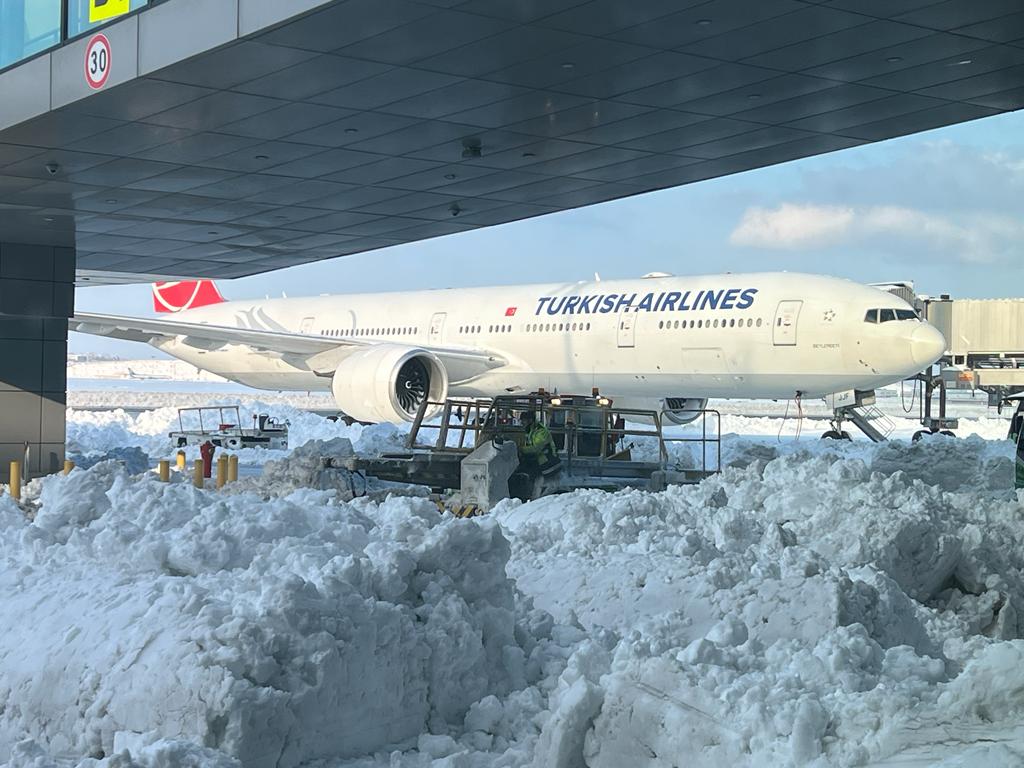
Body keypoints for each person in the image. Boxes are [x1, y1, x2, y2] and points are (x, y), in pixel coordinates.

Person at [518, 410, 560, 480]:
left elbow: (536, 448)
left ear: (530, 420)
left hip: (548, 461)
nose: (522, 423)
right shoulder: (531, 431)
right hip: (539, 459)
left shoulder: (541, 431)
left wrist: (521, 449)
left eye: (524, 420)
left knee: (526, 474)